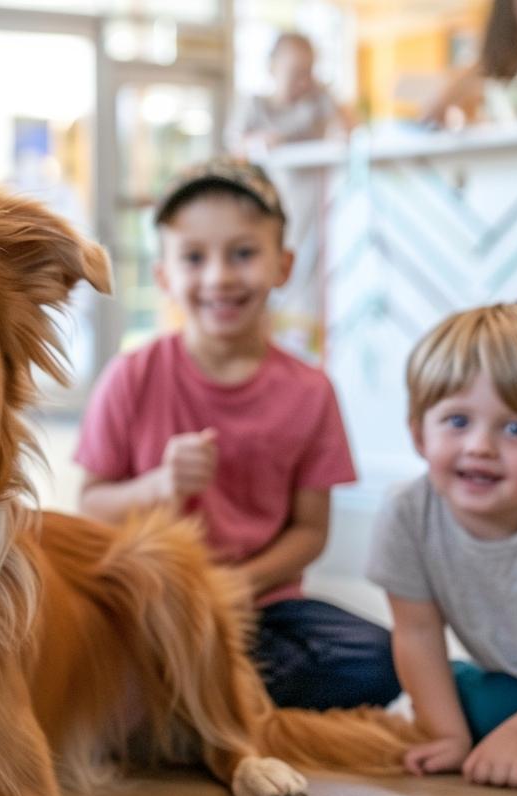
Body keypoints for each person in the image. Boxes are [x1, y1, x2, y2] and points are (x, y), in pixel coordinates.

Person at [76, 158, 399, 711]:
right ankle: (201, 696)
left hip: (260, 611)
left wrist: (241, 586)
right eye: (194, 258)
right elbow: (90, 507)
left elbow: (310, 530)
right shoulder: (131, 375)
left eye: (243, 253)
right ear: (164, 276)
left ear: (283, 265)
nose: (219, 277)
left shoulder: (311, 392)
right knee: (70, 641)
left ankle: (178, 700)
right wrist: (158, 484)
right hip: (150, 601)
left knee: (382, 657)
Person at [366, 304, 517, 791]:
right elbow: (417, 632)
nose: (480, 446)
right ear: (418, 432)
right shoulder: (406, 514)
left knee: (485, 707)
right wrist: (448, 735)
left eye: (515, 429)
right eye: (457, 420)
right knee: (445, 687)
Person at [227, 32, 354, 156]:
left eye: (308, 73)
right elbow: (234, 143)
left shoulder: (317, 101)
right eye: (295, 73)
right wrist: (255, 142)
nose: (303, 82)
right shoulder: (254, 105)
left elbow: (345, 128)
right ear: (272, 68)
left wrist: (338, 129)